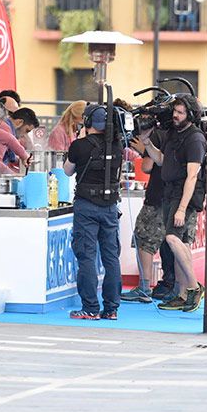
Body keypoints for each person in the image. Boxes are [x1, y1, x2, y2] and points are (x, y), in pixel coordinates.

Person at [141, 96, 206, 313]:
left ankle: (194, 287)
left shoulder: (195, 139)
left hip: (183, 195)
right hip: (169, 193)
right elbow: (160, 160)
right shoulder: (172, 134)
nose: (175, 115)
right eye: (175, 111)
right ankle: (183, 292)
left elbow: (192, 176)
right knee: (179, 244)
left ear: (191, 115)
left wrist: (181, 208)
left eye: (180, 112)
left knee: (173, 238)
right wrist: (147, 142)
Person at [63, 104, 124, 320]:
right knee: (110, 257)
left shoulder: (79, 146)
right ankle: (112, 308)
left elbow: (67, 171)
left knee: (87, 256)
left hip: (86, 205)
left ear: (88, 123)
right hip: (109, 206)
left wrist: (81, 138)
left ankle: (90, 307)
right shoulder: (117, 147)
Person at [121, 126, 171, 303]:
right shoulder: (177, 133)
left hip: (157, 196)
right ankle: (173, 285)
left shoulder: (157, 135)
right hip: (171, 196)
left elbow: (148, 167)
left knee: (144, 240)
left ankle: (144, 286)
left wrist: (144, 152)